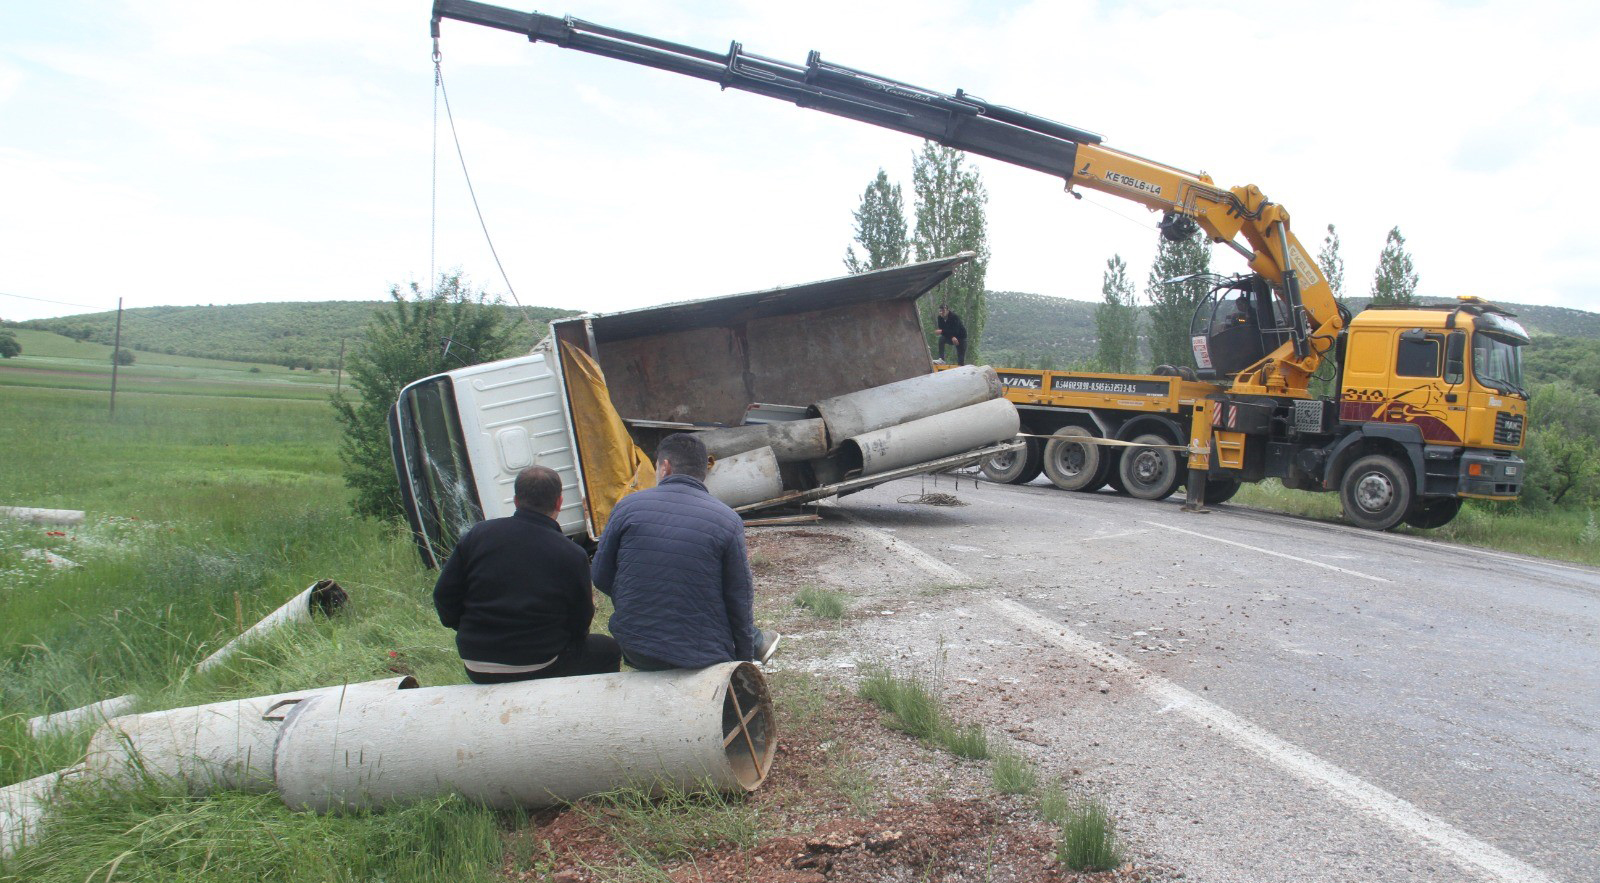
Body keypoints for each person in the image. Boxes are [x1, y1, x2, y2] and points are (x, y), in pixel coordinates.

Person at [592, 432, 780, 671]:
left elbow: (599, 576)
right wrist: (742, 661)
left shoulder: (626, 507)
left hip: (636, 647)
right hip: (701, 655)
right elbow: (738, 599)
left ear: (665, 468)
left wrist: (637, 599)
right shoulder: (728, 520)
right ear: (704, 472)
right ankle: (759, 642)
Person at [433, 465, 621, 683]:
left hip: (477, 663)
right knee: (608, 650)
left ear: (515, 500)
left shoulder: (478, 535)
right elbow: (580, 620)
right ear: (559, 503)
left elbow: (444, 596)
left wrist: (467, 628)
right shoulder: (572, 554)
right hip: (541, 662)